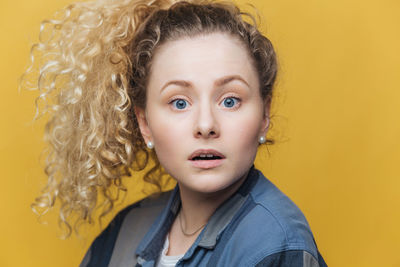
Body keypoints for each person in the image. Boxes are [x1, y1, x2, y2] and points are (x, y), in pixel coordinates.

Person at [23, 0, 328, 266]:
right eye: (179, 102)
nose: (206, 125)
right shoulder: (127, 230)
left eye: (230, 100)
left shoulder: (275, 245)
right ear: (145, 124)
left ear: (264, 115)